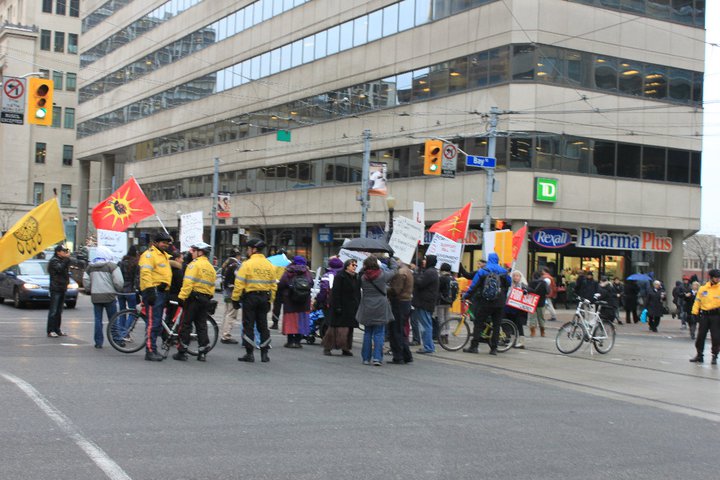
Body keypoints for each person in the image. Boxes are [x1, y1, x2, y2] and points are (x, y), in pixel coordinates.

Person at [232, 239, 277, 363]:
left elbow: (239, 283)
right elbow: (273, 285)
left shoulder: (247, 264)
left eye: (248, 249)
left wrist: (235, 299)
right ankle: (264, 354)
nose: (247, 251)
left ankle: (249, 353)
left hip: (250, 298)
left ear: (253, 249)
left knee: (249, 325)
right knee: (263, 326)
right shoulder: (269, 265)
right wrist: (270, 300)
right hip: (264, 298)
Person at [173, 242, 215, 362]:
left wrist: (181, 297)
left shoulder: (193, 265)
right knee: (201, 325)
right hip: (205, 299)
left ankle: (182, 351)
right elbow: (212, 286)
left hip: (193, 299)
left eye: (194, 251)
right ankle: (202, 353)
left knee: (186, 324)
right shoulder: (211, 268)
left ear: (200, 252)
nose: (192, 253)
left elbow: (188, 283)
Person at [462, 253, 511, 355]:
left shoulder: (483, 270)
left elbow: (473, 286)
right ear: (497, 260)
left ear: (489, 259)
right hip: (499, 303)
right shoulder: (503, 271)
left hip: (485, 301)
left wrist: (466, 296)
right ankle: (494, 348)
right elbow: (509, 284)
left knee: (478, 323)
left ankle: (474, 346)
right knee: (497, 325)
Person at [356, 255, 397, 366]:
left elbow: (360, 273)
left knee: (368, 333)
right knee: (379, 333)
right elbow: (394, 270)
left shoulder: (363, 277)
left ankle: (365, 358)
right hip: (380, 305)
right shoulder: (382, 275)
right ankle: (377, 358)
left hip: (367, 305)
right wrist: (391, 259)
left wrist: (363, 267)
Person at [139, 231, 173, 361]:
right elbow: (146, 273)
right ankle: (150, 350)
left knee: (157, 322)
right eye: (163, 242)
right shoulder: (149, 255)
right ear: (156, 243)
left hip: (162, 292)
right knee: (153, 323)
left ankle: (153, 348)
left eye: (167, 243)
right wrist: (150, 291)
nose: (166, 245)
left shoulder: (164, 256)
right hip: (154, 292)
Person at [83, 246, 124, 349]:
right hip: (109, 295)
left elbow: (86, 281)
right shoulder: (112, 266)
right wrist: (118, 289)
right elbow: (119, 281)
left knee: (98, 319)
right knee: (113, 319)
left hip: (96, 296)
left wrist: (89, 289)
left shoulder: (90, 267)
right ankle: (117, 340)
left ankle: (98, 342)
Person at [323, 258, 361, 356]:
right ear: (347, 266)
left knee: (349, 328)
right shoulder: (340, 276)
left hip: (351, 307)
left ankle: (346, 348)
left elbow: (357, 292)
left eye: (356, 265)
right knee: (335, 328)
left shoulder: (356, 277)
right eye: (353, 265)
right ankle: (328, 347)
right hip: (341, 306)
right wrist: (337, 306)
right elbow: (336, 292)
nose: (355, 267)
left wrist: (358, 304)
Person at [278, 255, 313, 348]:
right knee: (301, 320)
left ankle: (290, 341)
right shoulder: (307, 272)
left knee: (291, 320)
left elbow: (281, 284)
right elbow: (311, 283)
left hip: (290, 300)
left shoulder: (288, 271)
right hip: (304, 301)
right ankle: (297, 342)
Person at [689, 270, 720, 364]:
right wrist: (694, 313)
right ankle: (699, 355)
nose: (717, 279)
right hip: (705, 316)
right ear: (711, 277)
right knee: (700, 336)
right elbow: (697, 301)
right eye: (716, 277)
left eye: (718, 277)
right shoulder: (703, 289)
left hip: (716, 316)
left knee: (716, 337)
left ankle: (714, 356)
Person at [387, 259, 414, 364]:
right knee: (401, 330)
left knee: (396, 330)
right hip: (406, 302)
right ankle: (406, 354)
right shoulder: (407, 271)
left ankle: (398, 356)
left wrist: (386, 289)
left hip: (399, 302)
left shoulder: (400, 273)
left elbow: (396, 290)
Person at [412, 254, 439, 354]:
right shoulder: (430, 271)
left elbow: (420, 283)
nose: (423, 261)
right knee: (426, 324)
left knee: (425, 325)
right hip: (424, 302)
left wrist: (414, 275)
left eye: (425, 259)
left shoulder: (430, 272)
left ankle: (428, 347)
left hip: (424, 302)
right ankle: (429, 346)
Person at [47, 244, 73, 337]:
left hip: (62, 287)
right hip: (56, 288)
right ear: (58, 252)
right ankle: (50, 330)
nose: (65, 253)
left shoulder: (63, 260)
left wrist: (67, 259)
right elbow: (59, 269)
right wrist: (66, 259)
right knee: (53, 311)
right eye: (63, 251)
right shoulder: (54, 261)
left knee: (59, 311)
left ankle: (57, 329)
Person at [220, 247, 243, 344]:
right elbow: (239, 278)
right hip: (232, 291)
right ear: (238, 255)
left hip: (226, 291)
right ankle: (226, 335)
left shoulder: (226, 263)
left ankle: (223, 333)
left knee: (226, 313)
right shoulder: (236, 265)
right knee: (231, 314)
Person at [505, 270, 528, 349]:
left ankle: (521, 342)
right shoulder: (510, 284)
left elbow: (527, 292)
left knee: (519, 325)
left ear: (520, 277)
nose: (515, 277)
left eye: (517, 276)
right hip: (509, 308)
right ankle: (512, 340)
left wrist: (525, 291)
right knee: (511, 324)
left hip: (518, 309)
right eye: (514, 276)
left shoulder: (523, 285)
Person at [117, 246, 139, 313]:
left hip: (120, 290)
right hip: (131, 290)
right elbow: (137, 278)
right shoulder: (136, 264)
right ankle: (129, 324)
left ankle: (121, 324)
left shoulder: (121, 263)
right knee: (132, 312)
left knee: (122, 311)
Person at [436, 263, 456, 335]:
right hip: (449, 301)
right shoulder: (453, 278)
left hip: (441, 301)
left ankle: (442, 335)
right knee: (447, 318)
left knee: (441, 318)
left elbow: (438, 289)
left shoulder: (441, 278)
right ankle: (447, 333)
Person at [527, 271, 548, 337]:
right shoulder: (544, 283)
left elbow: (528, 291)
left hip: (532, 302)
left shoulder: (531, 283)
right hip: (541, 302)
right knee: (541, 318)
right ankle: (542, 332)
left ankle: (533, 332)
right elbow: (547, 291)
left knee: (532, 318)